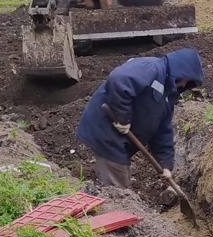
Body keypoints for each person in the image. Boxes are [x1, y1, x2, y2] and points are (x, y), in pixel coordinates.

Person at [76, 48, 204, 188]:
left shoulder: (168, 95)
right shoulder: (151, 67)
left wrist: (165, 164)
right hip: (106, 131)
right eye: (187, 79)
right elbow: (119, 80)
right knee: (119, 188)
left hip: (121, 142)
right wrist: (122, 118)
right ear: (180, 69)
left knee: (118, 181)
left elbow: (163, 130)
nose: (185, 84)